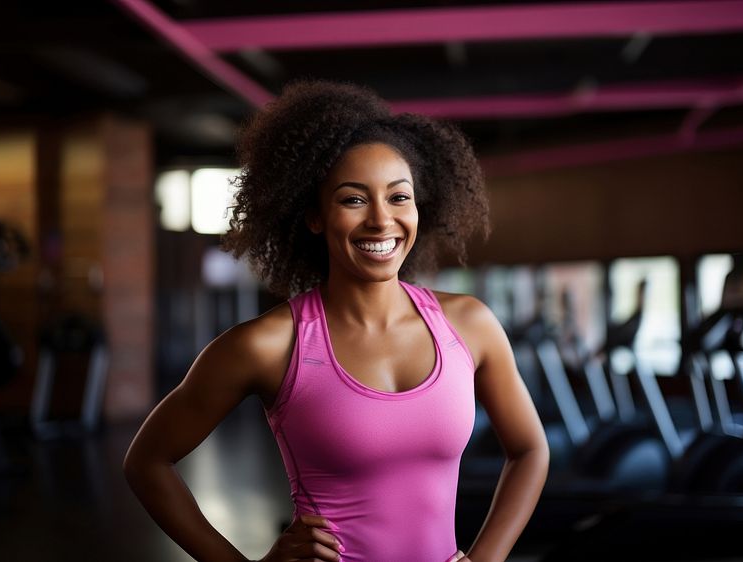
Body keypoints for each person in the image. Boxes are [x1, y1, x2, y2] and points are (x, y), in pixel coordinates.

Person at [123, 80, 549, 562]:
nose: (381, 221)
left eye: (398, 197)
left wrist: (486, 558)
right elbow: (147, 462)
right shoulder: (268, 346)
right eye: (353, 199)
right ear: (313, 216)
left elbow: (530, 450)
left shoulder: (470, 325)